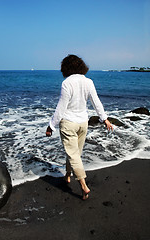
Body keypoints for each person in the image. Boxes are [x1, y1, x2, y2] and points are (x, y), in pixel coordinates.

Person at [46, 54, 113, 200]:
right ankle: (68, 176)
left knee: (73, 154)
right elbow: (96, 102)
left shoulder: (67, 83)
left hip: (69, 123)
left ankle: (83, 185)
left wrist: (51, 125)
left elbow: (61, 108)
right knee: (75, 153)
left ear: (66, 68)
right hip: (83, 123)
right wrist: (105, 119)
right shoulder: (88, 81)